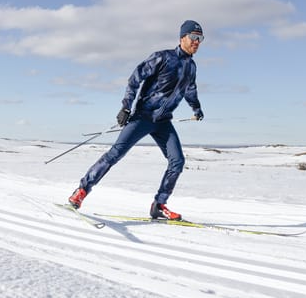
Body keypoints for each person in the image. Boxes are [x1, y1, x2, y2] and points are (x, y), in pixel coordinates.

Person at [68, 20, 205, 220]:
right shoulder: (163, 57)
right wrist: (126, 106)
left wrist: (197, 108)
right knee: (115, 154)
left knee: (177, 161)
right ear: (182, 37)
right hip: (143, 117)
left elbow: (190, 90)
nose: (197, 42)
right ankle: (81, 192)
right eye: (193, 37)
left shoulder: (191, 67)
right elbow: (135, 78)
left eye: (200, 39)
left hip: (164, 122)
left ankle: (159, 204)